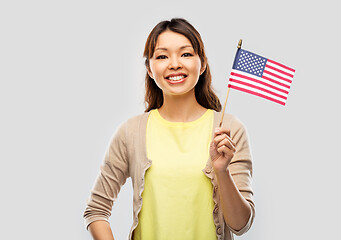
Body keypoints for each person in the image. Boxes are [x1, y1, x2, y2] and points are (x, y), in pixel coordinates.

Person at [83, 18, 255, 240]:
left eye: (185, 54)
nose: (174, 64)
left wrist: (222, 171)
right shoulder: (131, 132)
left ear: (202, 64)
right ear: (150, 69)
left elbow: (241, 225)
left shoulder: (228, 129)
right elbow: (96, 209)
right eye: (162, 56)